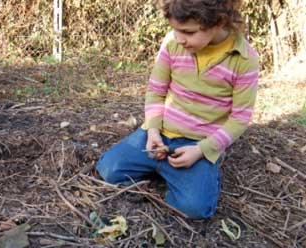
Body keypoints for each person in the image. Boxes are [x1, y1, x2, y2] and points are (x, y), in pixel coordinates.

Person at [96, 0, 259, 219]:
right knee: (108, 169)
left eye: (188, 32)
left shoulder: (244, 58)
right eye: (175, 29)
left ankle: (183, 174)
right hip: (159, 135)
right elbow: (156, 90)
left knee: (194, 208)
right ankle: (167, 170)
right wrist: (153, 132)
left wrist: (202, 150)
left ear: (219, 22)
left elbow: (239, 119)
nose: (180, 38)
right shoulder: (173, 42)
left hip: (197, 144)